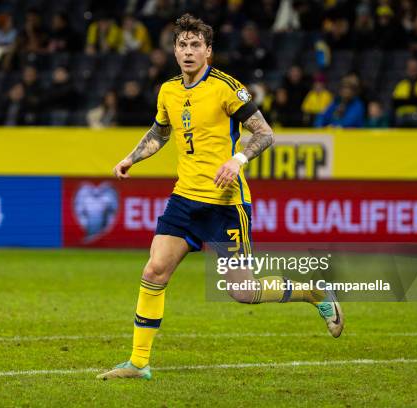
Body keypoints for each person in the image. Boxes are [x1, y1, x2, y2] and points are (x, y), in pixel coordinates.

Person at [97, 13, 344, 381]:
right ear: (175, 50)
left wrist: (238, 158)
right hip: (184, 200)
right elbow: (160, 132)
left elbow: (264, 133)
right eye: (182, 44)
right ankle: (138, 362)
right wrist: (131, 158)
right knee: (154, 271)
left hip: (226, 204)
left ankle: (313, 294)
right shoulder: (168, 90)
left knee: (243, 292)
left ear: (208, 51)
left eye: (196, 45)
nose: (188, 51)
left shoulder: (227, 87)